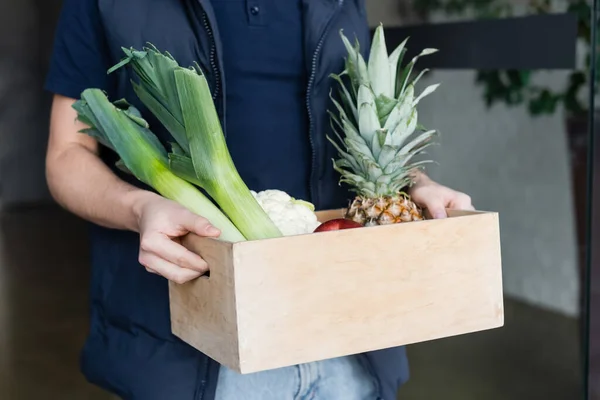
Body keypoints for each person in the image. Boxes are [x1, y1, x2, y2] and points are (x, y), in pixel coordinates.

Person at [44, 0, 474, 399]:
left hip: (349, 339)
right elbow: (67, 155)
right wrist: (140, 209)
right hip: (197, 353)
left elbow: (353, 123)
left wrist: (412, 181)